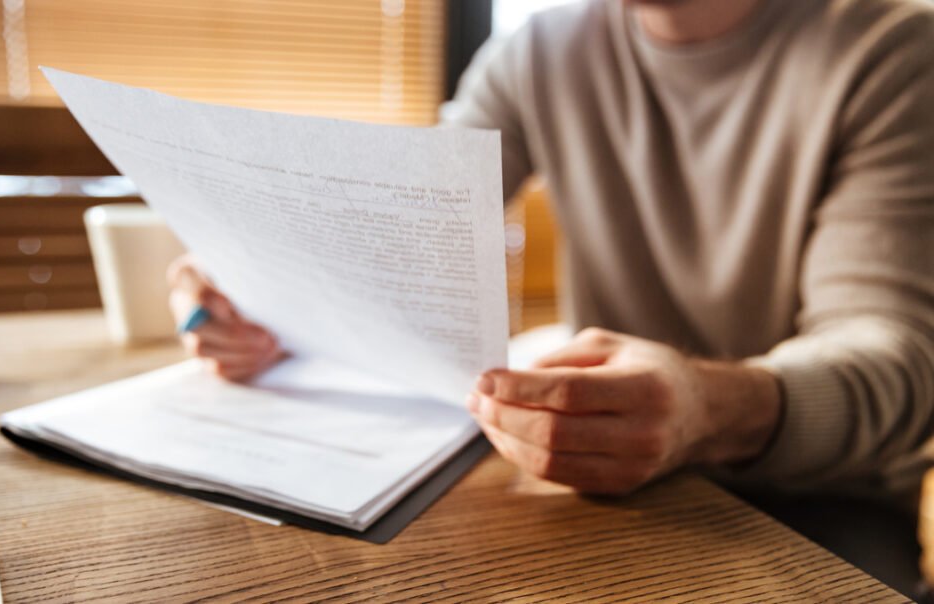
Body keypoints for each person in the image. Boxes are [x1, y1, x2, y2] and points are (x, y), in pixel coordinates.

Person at [169, 0, 934, 506]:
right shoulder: (538, 52)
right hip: (608, 496)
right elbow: (398, 225)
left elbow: (899, 357)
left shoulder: (894, 46)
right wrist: (256, 284)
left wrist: (706, 407)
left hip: (825, 507)